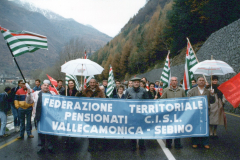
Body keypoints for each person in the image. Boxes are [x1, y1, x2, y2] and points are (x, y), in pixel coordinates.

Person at [26, 80, 56, 154]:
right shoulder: (36, 94)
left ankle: (50, 147)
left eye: (47, 85)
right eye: (44, 85)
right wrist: (29, 94)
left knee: (50, 133)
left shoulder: (53, 94)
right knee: (40, 132)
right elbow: (29, 102)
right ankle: (41, 147)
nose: (46, 86)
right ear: (41, 86)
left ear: (49, 87)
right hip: (39, 116)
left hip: (50, 117)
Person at [187, 76, 215, 149]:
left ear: (205, 82)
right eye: (200, 80)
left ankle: (205, 142)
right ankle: (195, 142)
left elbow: (212, 101)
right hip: (195, 112)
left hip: (205, 112)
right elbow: (188, 100)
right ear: (197, 82)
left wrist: (212, 95)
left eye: (203, 80)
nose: (201, 81)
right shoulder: (192, 91)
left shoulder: (208, 91)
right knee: (195, 126)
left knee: (205, 127)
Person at [161, 77, 186, 149]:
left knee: (178, 128)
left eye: (175, 80)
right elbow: (162, 100)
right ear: (170, 82)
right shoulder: (166, 90)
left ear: (177, 82)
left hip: (178, 113)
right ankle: (168, 143)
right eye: (172, 80)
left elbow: (185, 100)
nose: (174, 82)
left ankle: (177, 143)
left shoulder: (181, 90)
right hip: (169, 113)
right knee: (169, 128)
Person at [125, 77, 149, 151]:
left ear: (139, 83)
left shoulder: (144, 91)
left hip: (141, 114)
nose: (136, 83)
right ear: (132, 83)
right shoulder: (128, 91)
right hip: (132, 114)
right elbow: (124, 102)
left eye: (137, 82)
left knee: (141, 129)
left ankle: (141, 145)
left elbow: (147, 101)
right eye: (134, 82)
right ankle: (133, 145)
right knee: (132, 129)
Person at [81, 78, 105, 151]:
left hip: (98, 114)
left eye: (93, 82)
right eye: (91, 82)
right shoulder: (85, 91)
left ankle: (97, 144)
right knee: (90, 130)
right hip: (89, 114)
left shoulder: (100, 91)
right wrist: (79, 92)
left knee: (97, 129)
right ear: (89, 83)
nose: (92, 84)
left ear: (96, 83)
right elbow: (80, 100)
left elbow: (104, 100)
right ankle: (91, 145)